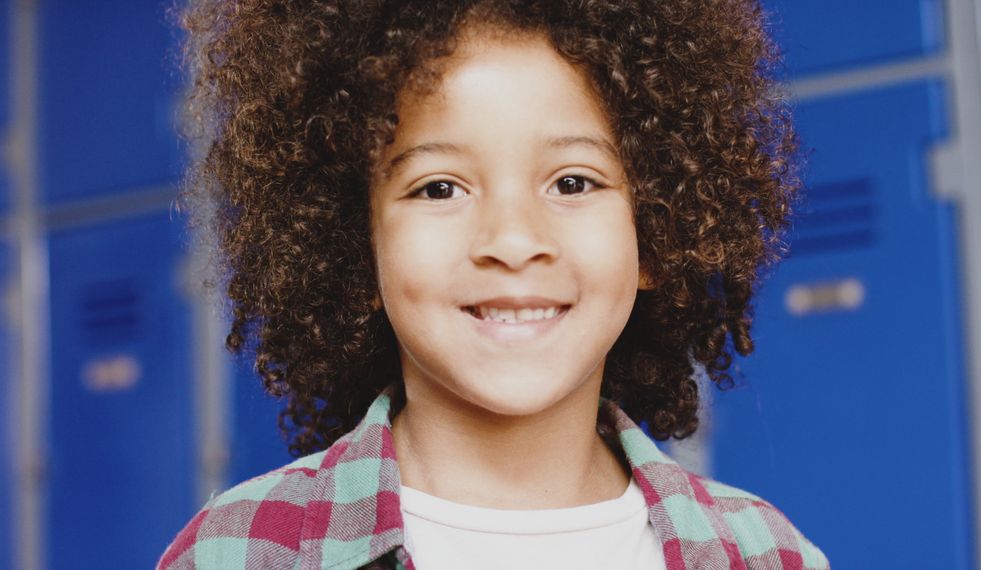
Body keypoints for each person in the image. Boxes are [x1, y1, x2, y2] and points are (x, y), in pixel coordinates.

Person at [159, 0, 828, 568]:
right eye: (439, 188)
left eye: (573, 182)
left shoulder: (762, 553)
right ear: (357, 251)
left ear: (655, 235)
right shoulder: (241, 550)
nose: (511, 241)